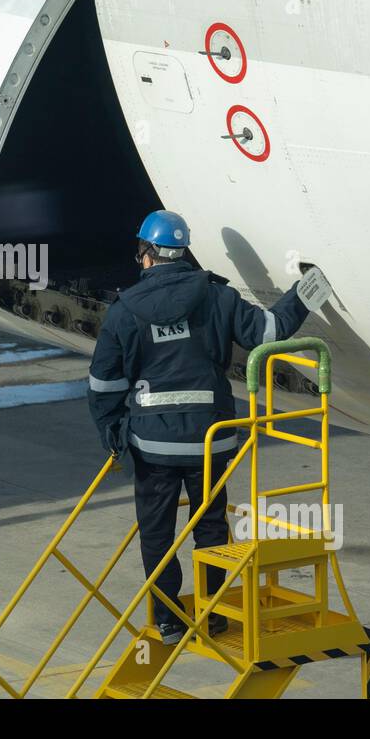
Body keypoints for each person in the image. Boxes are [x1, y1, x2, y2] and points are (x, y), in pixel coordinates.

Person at [86, 210, 310, 645]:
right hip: (212, 439)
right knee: (209, 525)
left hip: (152, 444)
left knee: (157, 532)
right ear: (183, 252)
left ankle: (168, 620)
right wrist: (305, 290)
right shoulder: (216, 297)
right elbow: (269, 332)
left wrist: (112, 432)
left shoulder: (126, 309)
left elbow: (104, 383)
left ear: (146, 254)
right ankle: (213, 613)